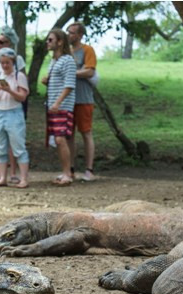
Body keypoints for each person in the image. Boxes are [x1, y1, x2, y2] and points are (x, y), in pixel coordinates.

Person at [0, 27, 27, 185]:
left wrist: (10, 90)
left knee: (17, 144)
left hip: (14, 110)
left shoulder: (18, 72)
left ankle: (18, 175)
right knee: (0, 144)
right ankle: (1, 175)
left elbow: (22, 92)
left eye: (2, 41)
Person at [40, 28, 75, 186]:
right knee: (57, 140)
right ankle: (64, 172)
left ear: (60, 42)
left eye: (50, 40)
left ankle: (68, 173)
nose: (47, 43)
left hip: (62, 106)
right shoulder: (54, 61)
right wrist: (48, 80)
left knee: (61, 139)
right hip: (52, 105)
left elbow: (69, 85)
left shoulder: (68, 60)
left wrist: (58, 103)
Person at [67, 22, 98, 182]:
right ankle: (70, 169)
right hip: (68, 99)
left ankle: (89, 169)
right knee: (69, 134)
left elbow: (90, 71)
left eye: (72, 32)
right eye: (68, 32)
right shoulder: (66, 52)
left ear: (80, 35)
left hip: (84, 98)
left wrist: (72, 73)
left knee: (86, 132)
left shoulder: (87, 50)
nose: (69, 35)